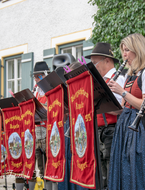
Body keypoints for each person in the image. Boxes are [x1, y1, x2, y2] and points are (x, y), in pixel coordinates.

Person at [107, 33, 145, 190]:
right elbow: (124, 106)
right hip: (125, 126)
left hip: (140, 128)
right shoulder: (131, 74)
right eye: (123, 50)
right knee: (124, 171)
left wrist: (122, 92)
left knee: (137, 173)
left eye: (127, 49)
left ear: (138, 49)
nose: (124, 54)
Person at [85, 42, 126, 190]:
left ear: (107, 60)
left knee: (111, 169)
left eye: (96, 63)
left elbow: (123, 108)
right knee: (101, 172)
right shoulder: (100, 81)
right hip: (99, 129)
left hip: (111, 129)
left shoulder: (118, 78)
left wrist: (100, 102)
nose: (94, 66)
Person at [15, 61, 57, 190]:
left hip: (48, 132)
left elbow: (53, 108)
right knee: (40, 167)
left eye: (38, 76)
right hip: (37, 132)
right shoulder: (37, 90)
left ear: (45, 75)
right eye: (35, 77)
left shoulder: (51, 88)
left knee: (50, 165)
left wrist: (38, 107)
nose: (36, 79)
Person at [58, 61, 89, 190]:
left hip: (81, 127)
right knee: (68, 164)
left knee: (80, 164)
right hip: (69, 126)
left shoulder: (85, 86)